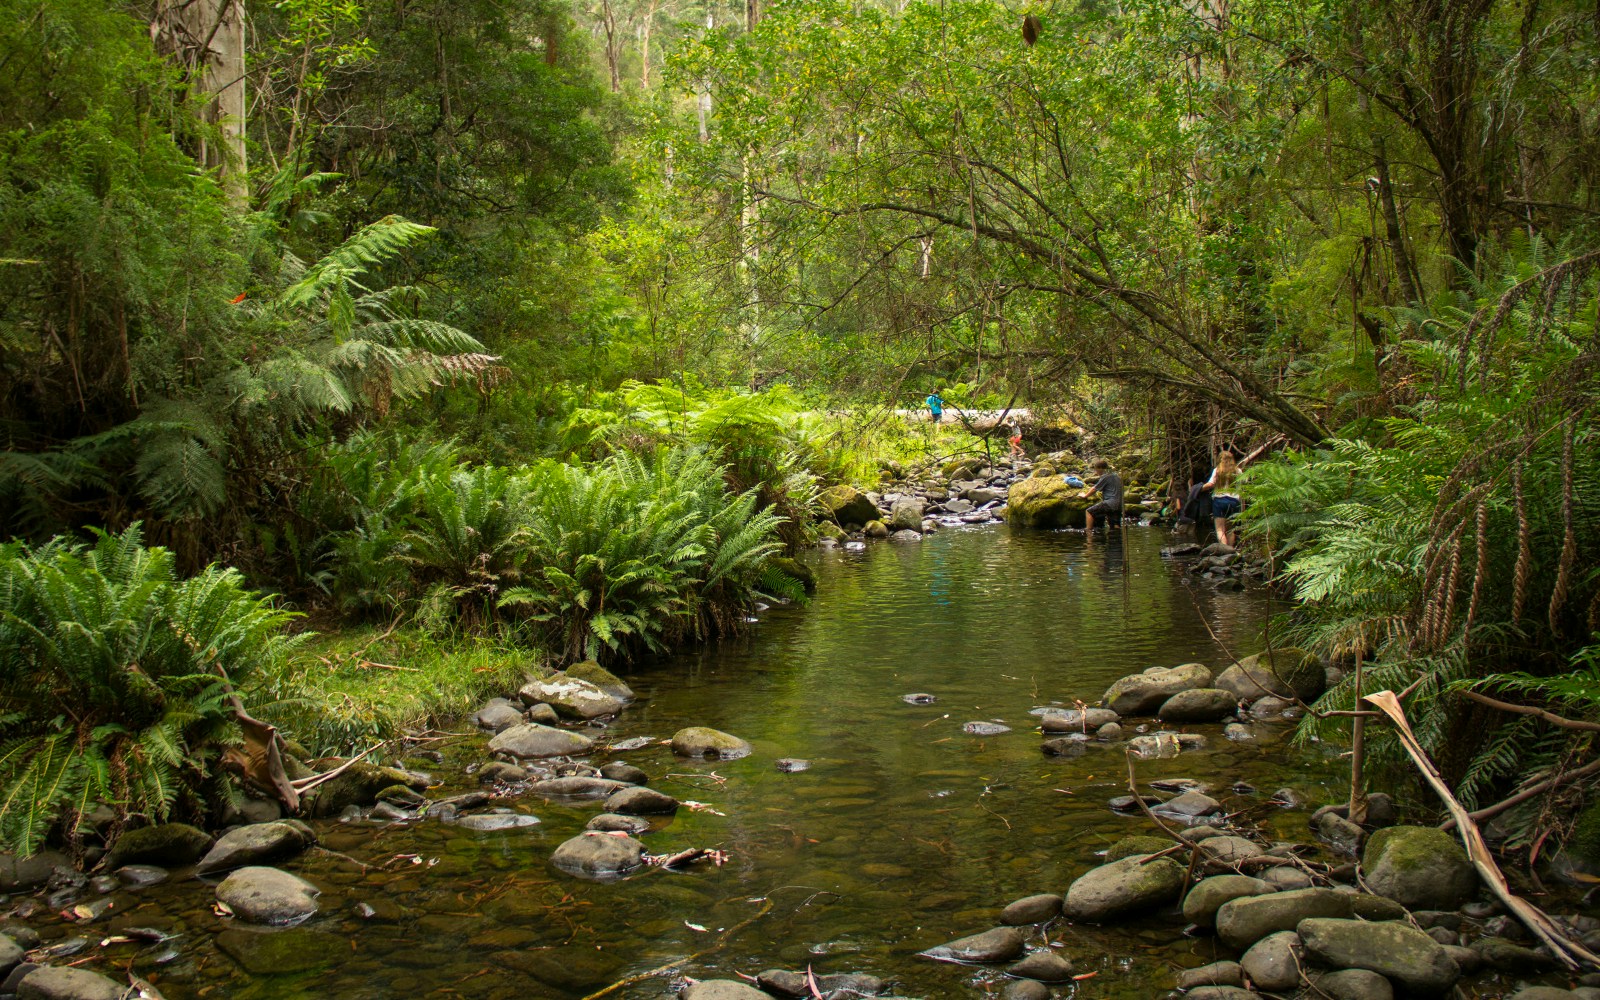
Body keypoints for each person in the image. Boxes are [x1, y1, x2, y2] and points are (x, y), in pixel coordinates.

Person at [1203, 448, 1242, 546]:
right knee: (1230, 530)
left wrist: (1198, 489)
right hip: (1234, 502)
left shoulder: (1217, 471)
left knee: (1220, 530)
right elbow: (1241, 489)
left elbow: (1210, 484)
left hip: (1219, 502)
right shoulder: (1239, 471)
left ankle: (1224, 552)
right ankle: (1231, 551)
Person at [1082, 457, 1123, 535]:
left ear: (1100, 468)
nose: (1096, 472)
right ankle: (1117, 542)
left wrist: (1085, 496)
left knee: (1089, 512)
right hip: (1119, 505)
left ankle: (1088, 533)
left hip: (1109, 503)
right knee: (1115, 525)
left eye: (1096, 469)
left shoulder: (1105, 476)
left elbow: (1094, 489)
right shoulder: (1116, 476)